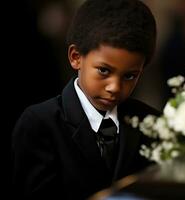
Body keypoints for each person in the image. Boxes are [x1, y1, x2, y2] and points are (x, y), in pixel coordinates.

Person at [11, 0, 159, 199]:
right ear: (76, 57)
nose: (114, 87)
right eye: (104, 70)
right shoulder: (40, 124)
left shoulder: (151, 122)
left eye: (130, 76)